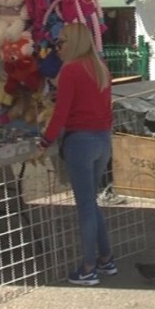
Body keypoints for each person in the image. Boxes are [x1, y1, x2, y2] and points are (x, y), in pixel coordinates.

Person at [37, 23, 116, 286]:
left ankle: (88, 268)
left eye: (61, 42)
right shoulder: (100, 68)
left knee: (85, 207)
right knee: (91, 203)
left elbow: (61, 113)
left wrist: (45, 140)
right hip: (102, 140)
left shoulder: (71, 70)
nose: (57, 48)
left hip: (80, 142)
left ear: (74, 43)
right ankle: (105, 259)